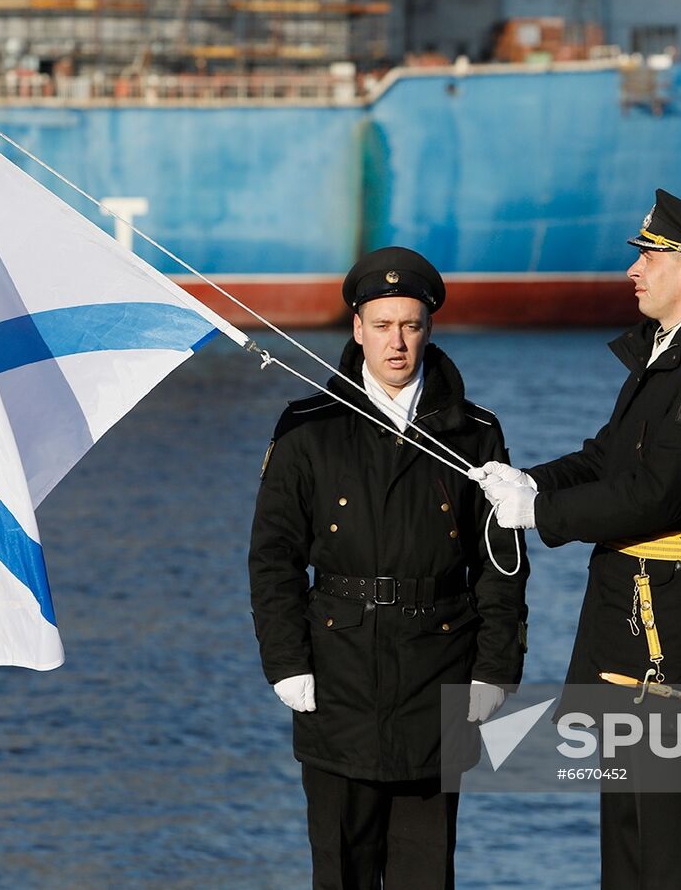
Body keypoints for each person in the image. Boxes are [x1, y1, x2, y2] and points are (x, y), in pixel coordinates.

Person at [477, 189, 681, 889]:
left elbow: (662, 492)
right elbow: (605, 457)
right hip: (630, 618)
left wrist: (540, 516)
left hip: (678, 628)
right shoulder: (664, 356)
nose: (633, 272)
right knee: (627, 832)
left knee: (672, 837)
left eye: (648, 256)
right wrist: (524, 482)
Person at [248, 246, 529, 889]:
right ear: (357, 328)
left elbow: (501, 564)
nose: (396, 342)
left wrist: (496, 668)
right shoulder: (307, 428)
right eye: (382, 325)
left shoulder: (474, 431)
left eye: (410, 325)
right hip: (337, 671)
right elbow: (273, 557)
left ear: (429, 328)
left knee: (426, 872)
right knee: (341, 870)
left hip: (439, 670)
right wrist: (286, 661)